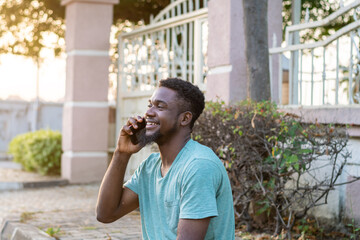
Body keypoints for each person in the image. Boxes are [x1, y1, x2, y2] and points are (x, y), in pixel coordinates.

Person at [96, 78, 235, 239]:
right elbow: (106, 214)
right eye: (150, 105)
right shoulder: (150, 167)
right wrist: (121, 153)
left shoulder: (198, 166)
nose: (148, 112)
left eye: (160, 107)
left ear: (185, 118)